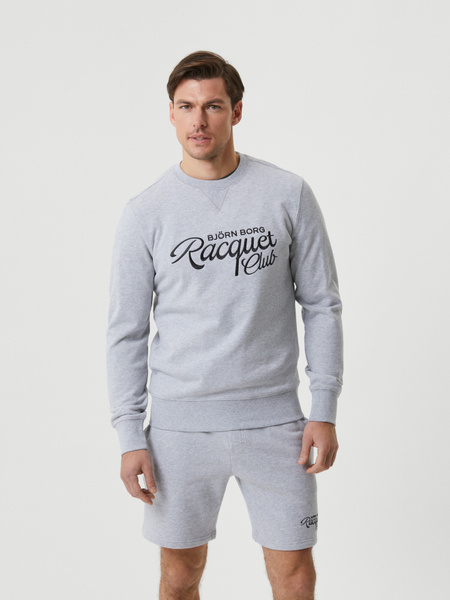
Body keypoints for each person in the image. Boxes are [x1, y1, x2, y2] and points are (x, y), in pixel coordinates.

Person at [106, 50, 343, 600]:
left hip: (277, 424)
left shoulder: (287, 193)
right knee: (179, 575)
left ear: (236, 111)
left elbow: (322, 305)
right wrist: (128, 434)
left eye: (213, 106)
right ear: (171, 113)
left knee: (295, 574)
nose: (199, 120)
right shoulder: (146, 212)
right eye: (186, 106)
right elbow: (126, 331)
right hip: (179, 430)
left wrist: (325, 408)